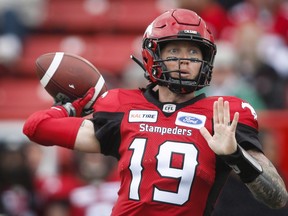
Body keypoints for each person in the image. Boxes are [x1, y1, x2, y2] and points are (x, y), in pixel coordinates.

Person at [22, 8, 288, 216]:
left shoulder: (222, 114)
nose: (184, 61)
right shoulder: (121, 106)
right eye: (174, 51)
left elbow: (277, 198)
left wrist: (236, 156)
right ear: (153, 55)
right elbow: (36, 128)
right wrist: (75, 105)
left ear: (206, 61)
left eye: (194, 53)